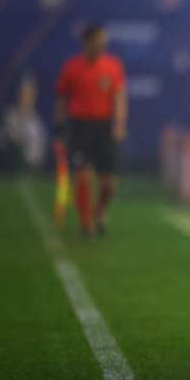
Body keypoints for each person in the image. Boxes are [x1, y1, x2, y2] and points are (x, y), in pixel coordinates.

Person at [54, 24, 127, 237]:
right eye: (98, 42)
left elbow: (119, 96)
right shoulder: (72, 67)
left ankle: (100, 212)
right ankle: (86, 224)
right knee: (83, 176)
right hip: (80, 126)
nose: (102, 46)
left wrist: (119, 123)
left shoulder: (113, 66)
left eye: (104, 42)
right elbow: (61, 98)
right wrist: (59, 125)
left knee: (109, 184)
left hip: (104, 127)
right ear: (87, 43)